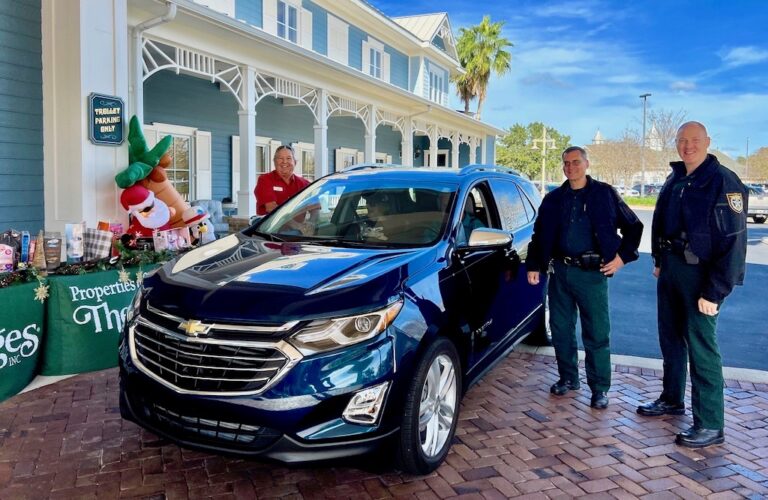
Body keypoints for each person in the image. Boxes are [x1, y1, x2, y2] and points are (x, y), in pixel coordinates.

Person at [636, 122, 747, 448]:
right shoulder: (676, 178)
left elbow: (734, 242)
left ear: (707, 142)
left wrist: (715, 291)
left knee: (701, 348)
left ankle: (711, 423)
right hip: (672, 269)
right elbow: (661, 221)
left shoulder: (723, 180)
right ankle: (672, 398)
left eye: (695, 140)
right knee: (670, 339)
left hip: (702, 276)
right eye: (683, 140)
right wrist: (659, 259)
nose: (688, 146)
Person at [527, 146, 643, 409]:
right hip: (561, 272)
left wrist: (621, 258)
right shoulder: (553, 199)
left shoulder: (604, 194)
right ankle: (568, 378)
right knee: (560, 329)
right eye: (566, 163)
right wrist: (535, 265)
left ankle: (600, 388)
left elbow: (634, 227)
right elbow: (539, 235)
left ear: (587, 164)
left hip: (592, 275)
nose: (570, 167)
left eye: (576, 162)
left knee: (596, 333)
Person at [254, 145, 310, 215]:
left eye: (289, 158)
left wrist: (312, 222)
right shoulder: (265, 180)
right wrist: (295, 224)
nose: (284, 161)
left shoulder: (304, 184)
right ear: (274, 162)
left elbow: (315, 206)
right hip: (271, 225)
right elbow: (271, 208)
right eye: (280, 158)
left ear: (295, 162)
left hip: (298, 225)